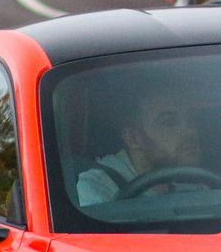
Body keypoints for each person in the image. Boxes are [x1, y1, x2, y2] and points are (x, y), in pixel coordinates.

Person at [75, 86, 207, 205]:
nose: (190, 130)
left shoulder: (196, 183)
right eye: (168, 122)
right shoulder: (95, 188)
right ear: (134, 139)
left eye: (190, 119)